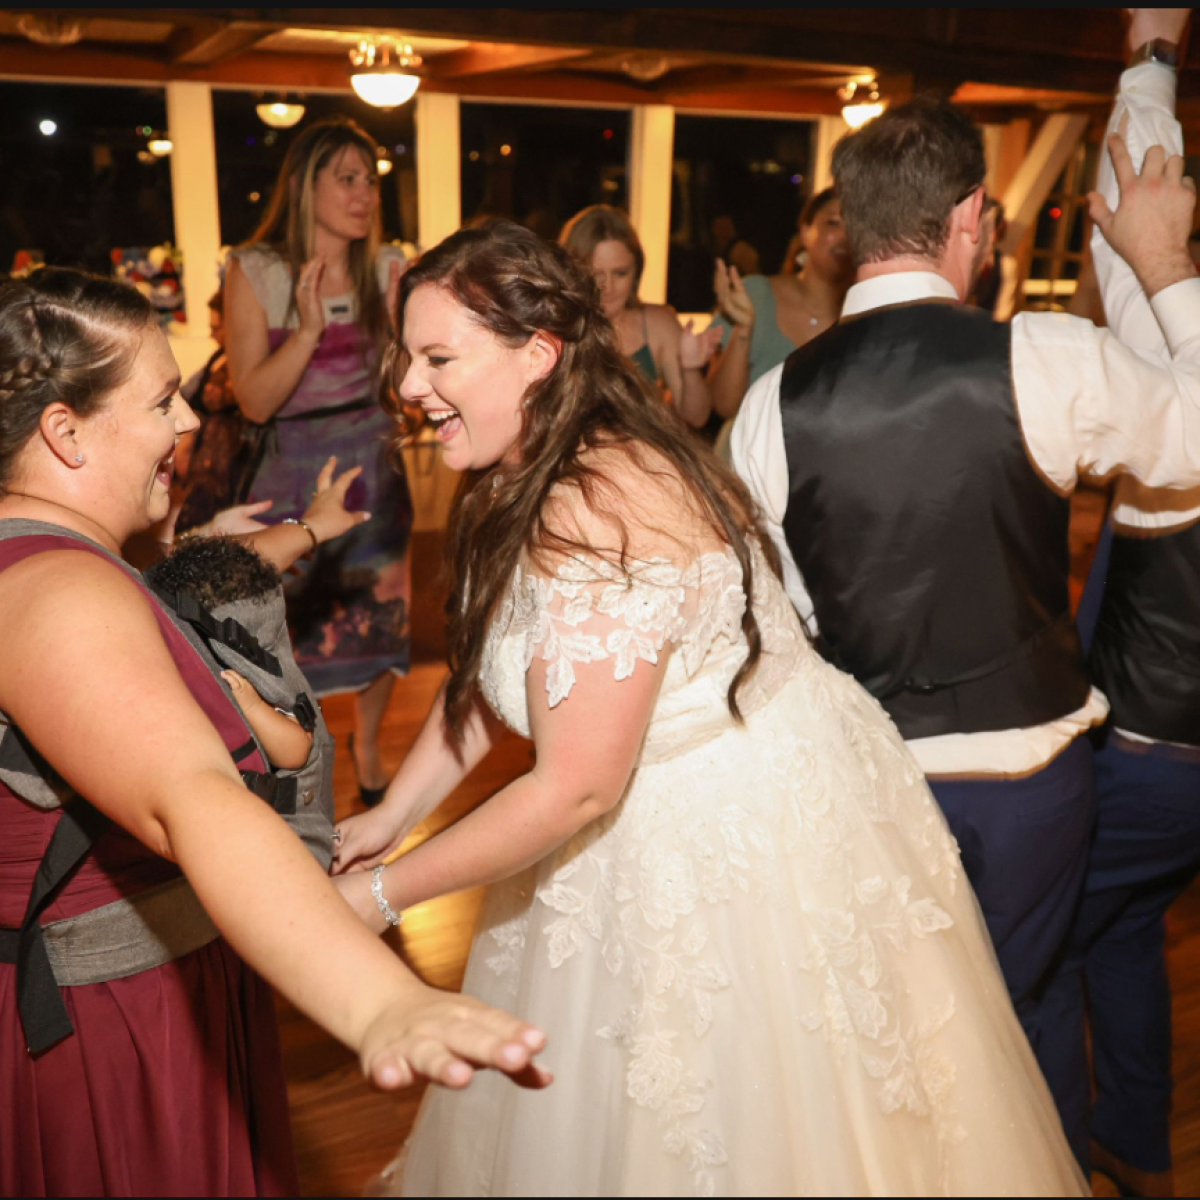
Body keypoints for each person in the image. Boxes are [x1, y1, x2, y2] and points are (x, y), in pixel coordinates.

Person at [330, 220, 1085, 1196]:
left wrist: (382, 894)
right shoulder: (544, 456)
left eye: (437, 358)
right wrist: (392, 814)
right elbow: (499, 665)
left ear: (539, 353)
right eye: (406, 357)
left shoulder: (590, 504)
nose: (408, 386)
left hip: (728, 834)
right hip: (719, 781)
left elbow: (575, 789)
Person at [730, 45, 1200, 1167]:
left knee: (892, 1031)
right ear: (974, 221)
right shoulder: (1046, 355)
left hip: (872, 785)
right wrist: (1168, 266)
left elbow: (774, 623)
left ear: (846, 226)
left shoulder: (768, 406)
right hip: (1034, 785)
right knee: (1026, 1009)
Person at [0, 268, 549, 1198]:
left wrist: (295, 531)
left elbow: (183, 580)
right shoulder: (58, 594)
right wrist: (379, 1002)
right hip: (116, 1027)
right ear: (66, 431)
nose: (188, 424)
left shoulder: (60, 560)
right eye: (163, 399)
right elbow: (197, 802)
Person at [1056, 12, 1200, 1194]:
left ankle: (1044, 1157)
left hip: (1158, 758)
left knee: (1037, 936)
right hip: (1173, 757)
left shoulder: (1184, 417)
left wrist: (1150, 58)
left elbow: (1132, 229)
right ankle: (1137, 1148)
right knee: (1120, 936)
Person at [225, 117, 412, 807]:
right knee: (289, 634)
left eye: (371, 180)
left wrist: (405, 355)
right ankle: (302, 759)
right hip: (293, 477)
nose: (365, 193)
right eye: (347, 178)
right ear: (306, 186)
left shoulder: (389, 269)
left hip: (375, 473)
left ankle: (366, 744)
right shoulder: (257, 270)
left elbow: (404, 379)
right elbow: (253, 401)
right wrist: (307, 332)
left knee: (380, 618)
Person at [560, 204, 718, 428]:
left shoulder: (657, 323)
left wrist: (690, 369)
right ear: (571, 271)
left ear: (636, 273)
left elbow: (697, 417)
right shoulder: (554, 328)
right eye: (596, 274)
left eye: (620, 273)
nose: (608, 287)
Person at [708, 188, 855, 429]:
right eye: (833, 223)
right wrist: (743, 332)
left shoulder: (868, 313)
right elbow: (723, 406)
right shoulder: (756, 295)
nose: (845, 235)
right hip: (744, 463)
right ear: (806, 232)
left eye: (856, 225)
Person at [175, 287, 246, 532]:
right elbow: (187, 395)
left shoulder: (248, 365)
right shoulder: (218, 358)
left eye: (218, 328)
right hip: (206, 464)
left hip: (232, 464)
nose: (213, 335)